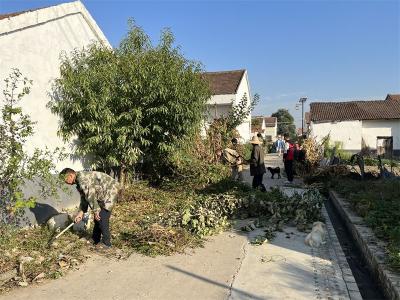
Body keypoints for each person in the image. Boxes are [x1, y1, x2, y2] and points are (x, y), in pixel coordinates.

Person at [60, 168, 120, 248]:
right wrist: (81, 213)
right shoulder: (78, 181)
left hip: (111, 191)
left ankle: (107, 243)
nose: (65, 182)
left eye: (65, 179)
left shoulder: (82, 179)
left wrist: (96, 210)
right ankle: (96, 239)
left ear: (70, 176)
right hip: (102, 192)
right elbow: (84, 198)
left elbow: (90, 195)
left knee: (102, 217)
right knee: (97, 218)